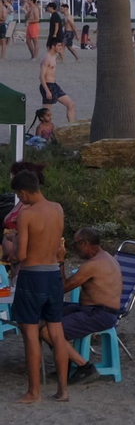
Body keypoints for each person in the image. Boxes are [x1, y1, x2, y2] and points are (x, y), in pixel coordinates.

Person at [10, 171, 70, 402]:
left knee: (31, 334)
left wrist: (14, 243)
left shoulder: (26, 214)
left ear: (23, 192)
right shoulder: (57, 208)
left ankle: (34, 391)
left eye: (18, 194)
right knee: (57, 332)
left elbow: (22, 254)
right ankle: (63, 390)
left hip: (32, 276)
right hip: (53, 274)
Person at [53, 227, 125, 385]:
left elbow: (63, 287)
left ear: (85, 243)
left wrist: (60, 260)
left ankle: (84, 367)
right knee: (46, 316)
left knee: (49, 330)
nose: (75, 248)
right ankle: (64, 363)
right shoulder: (106, 257)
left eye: (75, 244)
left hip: (100, 314)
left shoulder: (94, 264)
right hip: (90, 309)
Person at [38, 38, 76, 122]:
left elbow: (60, 58)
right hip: (47, 86)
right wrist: (47, 91)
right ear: (53, 46)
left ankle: (71, 126)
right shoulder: (46, 58)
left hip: (54, 85)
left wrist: (61, 53)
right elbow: (41, 76)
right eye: (58, 46)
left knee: (71, 104)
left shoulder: (53, 56)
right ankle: (44, 132)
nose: (60, 47)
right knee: (46, 113)